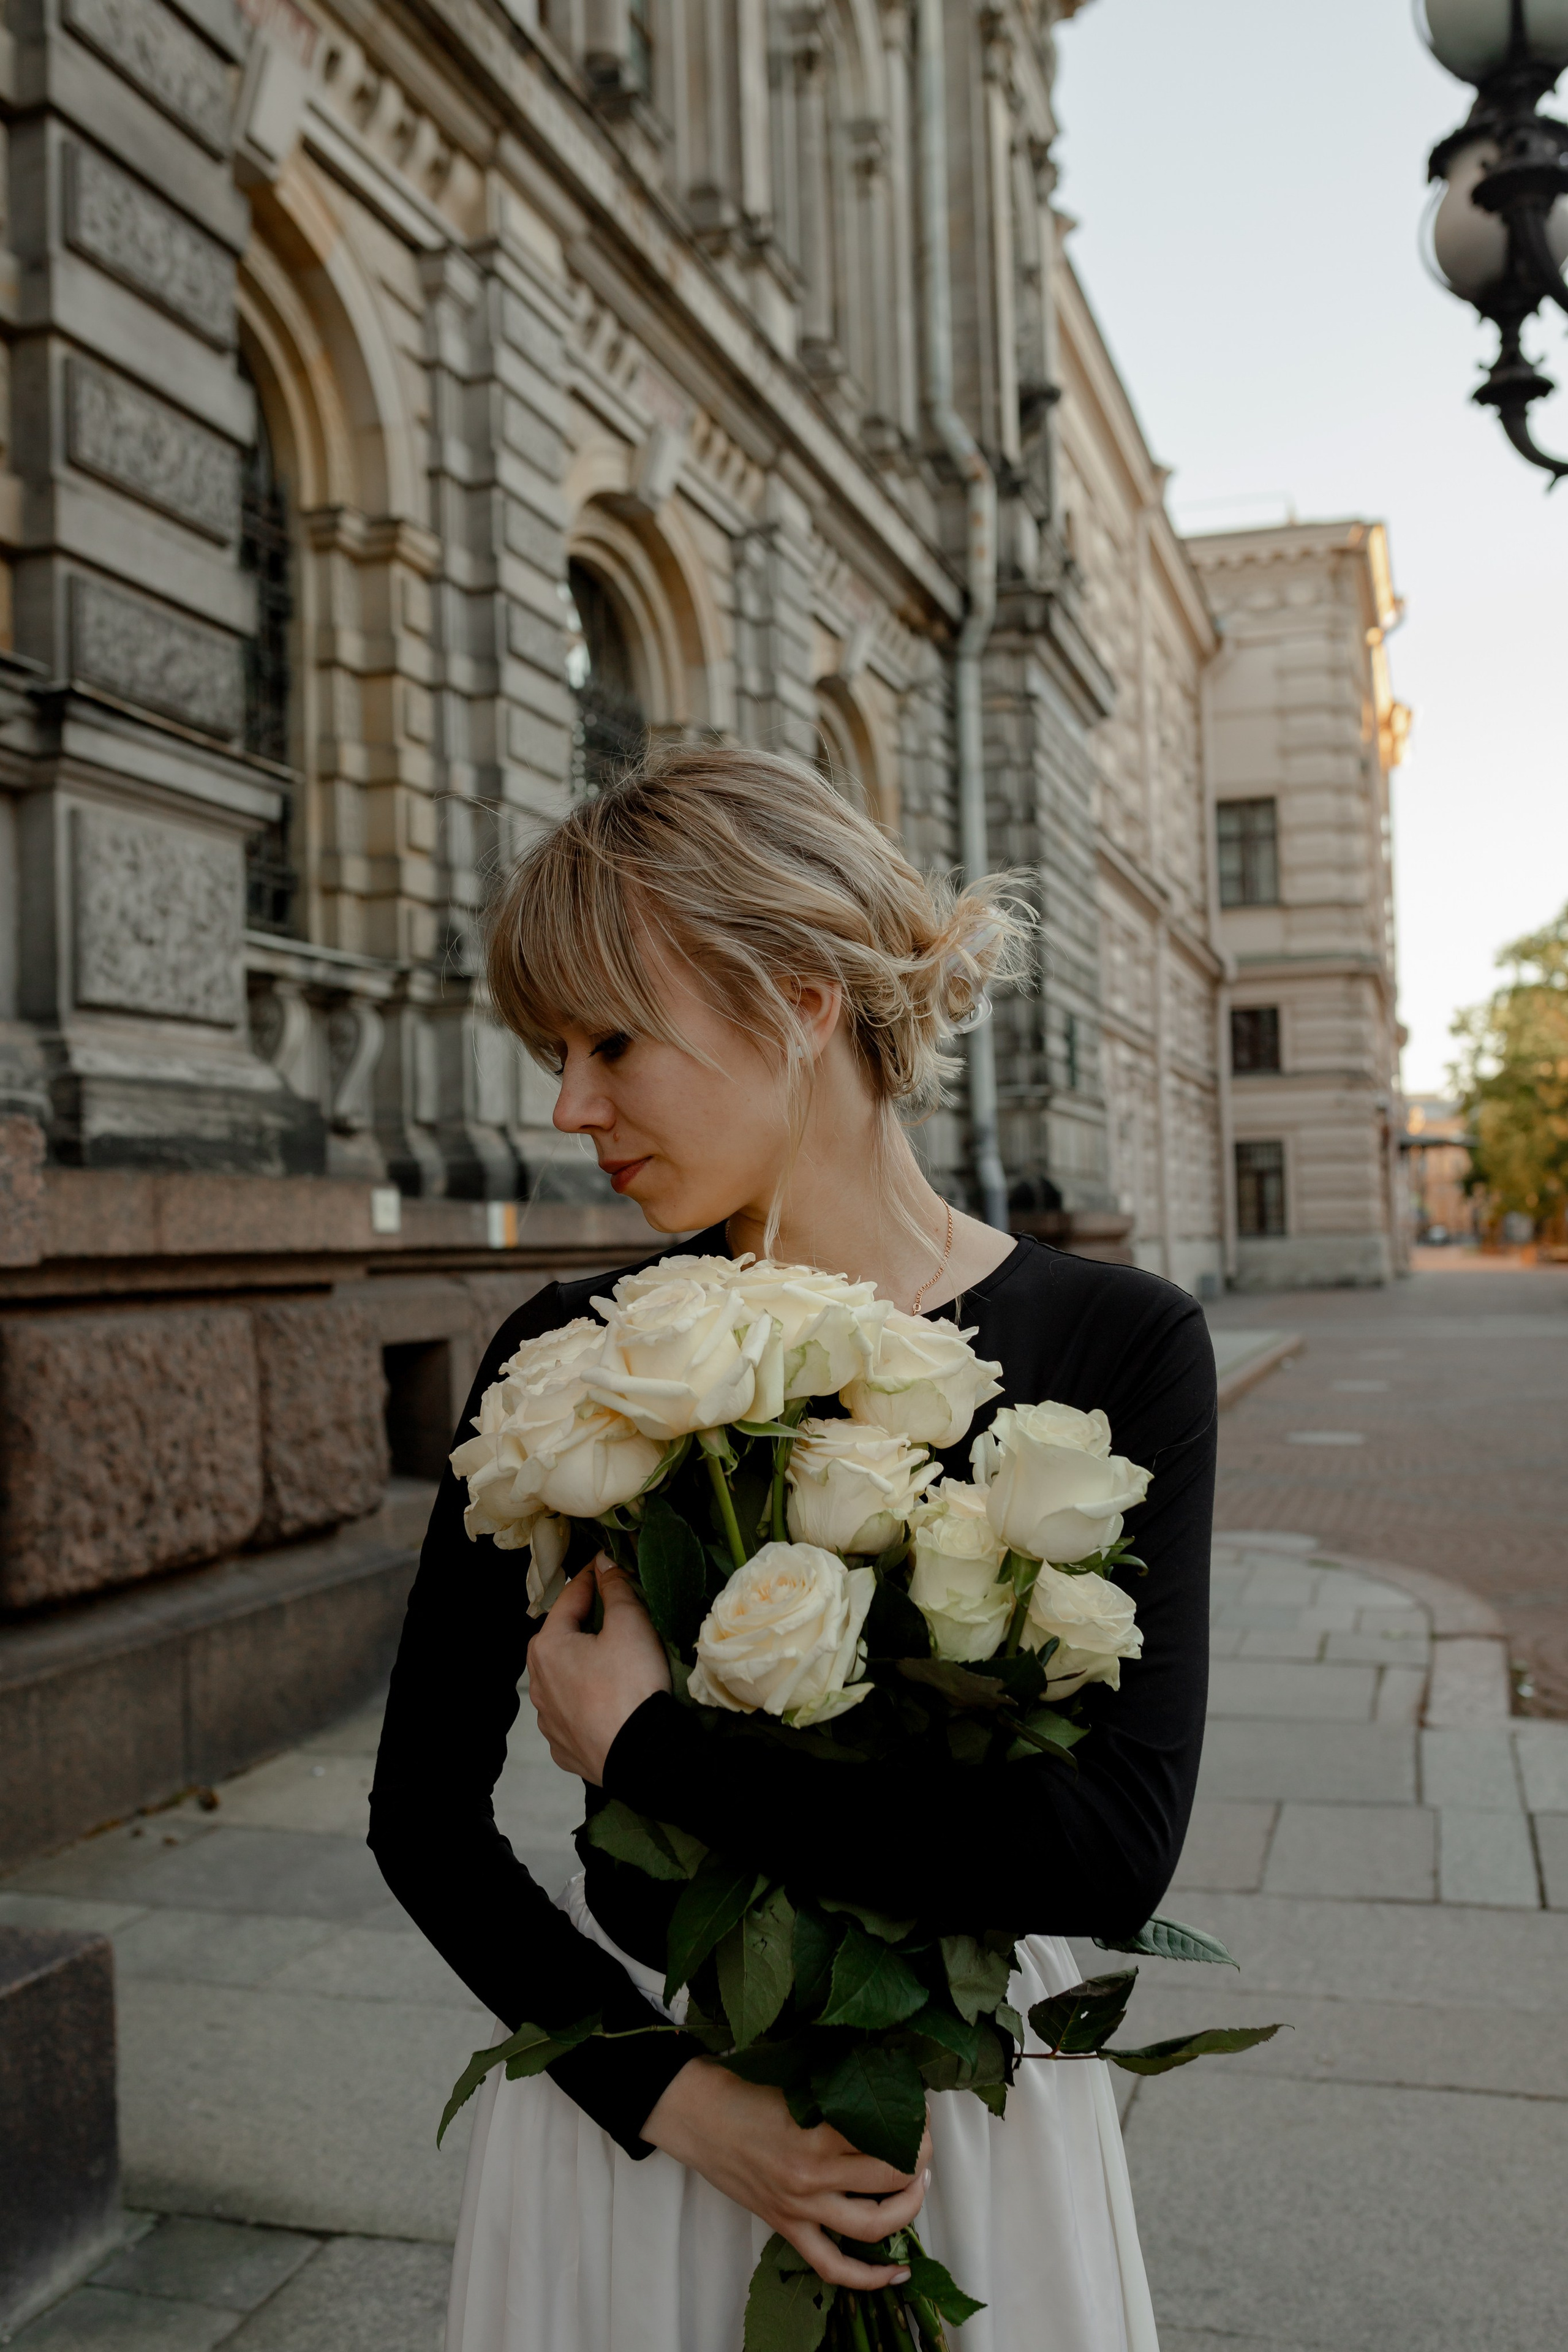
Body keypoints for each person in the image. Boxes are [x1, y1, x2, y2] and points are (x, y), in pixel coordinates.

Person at [369, 747, 1215, 2352]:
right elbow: (423, 1818)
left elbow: (1111, 1850)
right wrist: (678, 2102)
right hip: (647, 2131)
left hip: (960, 2124)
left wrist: (653, 1751)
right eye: (554, 1051)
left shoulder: (1117, 1342)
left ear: (804, 994)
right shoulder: (572, 1372)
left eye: (611, 1039)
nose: (569, 1108)